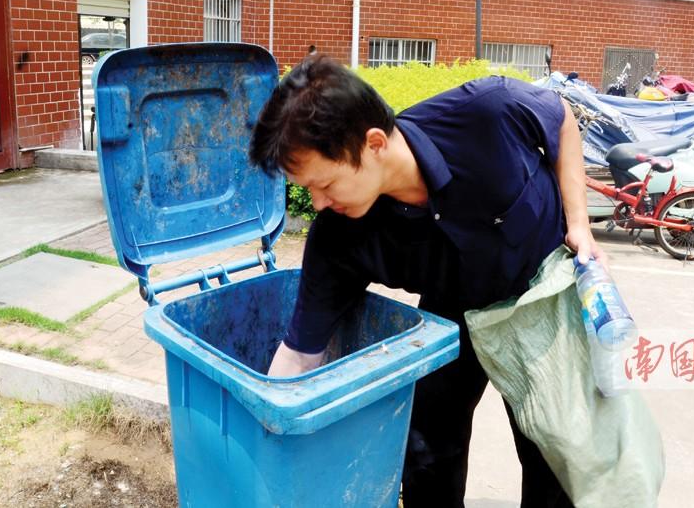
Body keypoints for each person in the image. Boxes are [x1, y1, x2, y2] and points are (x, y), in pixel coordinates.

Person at [249, 55, 604, 507]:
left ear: (373, 143)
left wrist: (579, 223)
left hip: (540, 293)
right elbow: (299, 355)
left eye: (326, 184)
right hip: (454, 310)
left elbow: (561, 118)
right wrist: (265, 433)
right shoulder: (337, 237)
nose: (317, 203)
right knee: (427, 446)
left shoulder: (487, 114)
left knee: (553, 449)